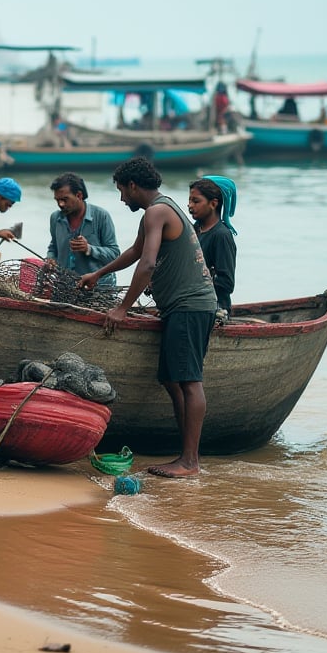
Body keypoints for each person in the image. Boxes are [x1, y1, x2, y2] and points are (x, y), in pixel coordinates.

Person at [78, 157, 216, 479]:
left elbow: (149, 263)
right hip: (180, 308)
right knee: (171, 379)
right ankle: (187, 453)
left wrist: (122, 308)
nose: (122, 199)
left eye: (121, 192)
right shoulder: (159, 210)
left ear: (133, 186)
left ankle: (190, 462)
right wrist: (98, 273)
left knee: (189, 381)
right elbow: (135, 252)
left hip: (190, 307)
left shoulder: (157, 211)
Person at [46, 172, 119, 285]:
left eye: (65, 199)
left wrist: (89, 249)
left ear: (79, 195)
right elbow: (53, 248)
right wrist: (50, 259)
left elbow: (115, 255)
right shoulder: (55, 218)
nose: (60, 204)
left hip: (98, 289)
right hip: (65, 287)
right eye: (57, 200)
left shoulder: (101, 216)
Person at [187, 176, 238, 316]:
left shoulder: (221, 235)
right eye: (189, 200)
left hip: (214, 308)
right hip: (190, 304)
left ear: (213, 203)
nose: (190, 205)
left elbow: (226, 283)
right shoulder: (193, 230)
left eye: (196, 201)